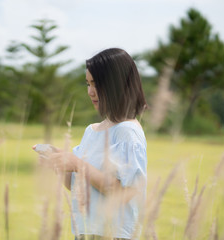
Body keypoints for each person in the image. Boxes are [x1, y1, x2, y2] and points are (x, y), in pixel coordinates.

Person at [35, 48, 147, 240]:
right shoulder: (92, 130)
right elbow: (77, 185)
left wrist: (77, 164)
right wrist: (60, 163)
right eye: (87, 83)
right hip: (87, 232)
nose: (90, 91)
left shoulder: (128, 132)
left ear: (117, 84)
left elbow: (126, 191)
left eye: (96, 84)